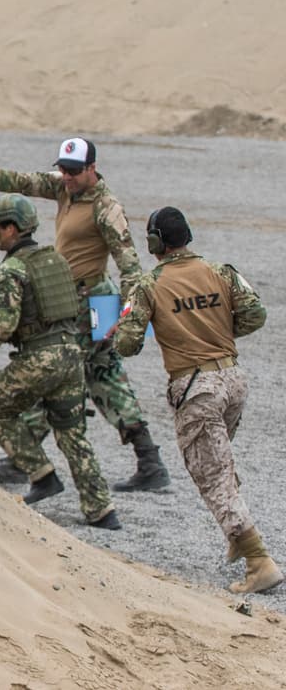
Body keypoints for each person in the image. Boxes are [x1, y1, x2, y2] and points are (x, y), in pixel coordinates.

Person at [0, 138, 170, 492]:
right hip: (78, 299)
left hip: (91, 303)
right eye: (63, 169)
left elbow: (130, 267)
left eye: (73, 171)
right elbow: (17, 181)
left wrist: (129, 317)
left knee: (50, 368)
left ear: (92, 168)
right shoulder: (64, 189)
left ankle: (22, 460)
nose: (65, 176)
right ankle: (150, 462)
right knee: (105, 375)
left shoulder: (107, 207)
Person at [113, 207, 280, 593]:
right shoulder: (220, 271)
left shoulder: (147, 284)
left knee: (212, 473)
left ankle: (258, 561)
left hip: (195, 386)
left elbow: (127, 344)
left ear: (155, 242)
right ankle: (238, 538)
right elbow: (256, 314)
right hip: (232, 379)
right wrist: (218, 329)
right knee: (216, 462)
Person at [0, 194, 119, 529]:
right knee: (72, 433)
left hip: (39, 358)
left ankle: (41, 473)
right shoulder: (56, 261)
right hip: (71, 355)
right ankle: (101, 509)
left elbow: (2, 327)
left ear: (13, 228)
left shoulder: (12, 270)